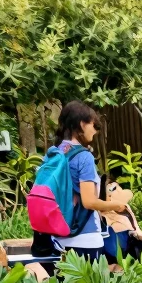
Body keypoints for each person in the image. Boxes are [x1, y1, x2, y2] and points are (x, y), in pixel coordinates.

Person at [44, 101, 130, 262]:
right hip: (84, 236)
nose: (95, 130)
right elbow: (89, 201)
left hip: (56, 236)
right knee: (90, 279)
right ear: (81, 124)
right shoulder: (84, 157)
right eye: (93, 125)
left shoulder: (53, 154)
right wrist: (116, 205)